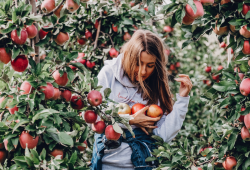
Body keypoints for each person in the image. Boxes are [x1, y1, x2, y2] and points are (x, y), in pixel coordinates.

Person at [90, 30, 192, 170]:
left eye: (150, 66)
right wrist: (130, 120)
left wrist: (182, 100)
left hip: (144, 165)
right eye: (138, 63)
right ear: (129, 57)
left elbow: (161, 136)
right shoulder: (108, 75)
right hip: (108, 165)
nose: (143, 71)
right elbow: (94, 118)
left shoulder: (155, 87)